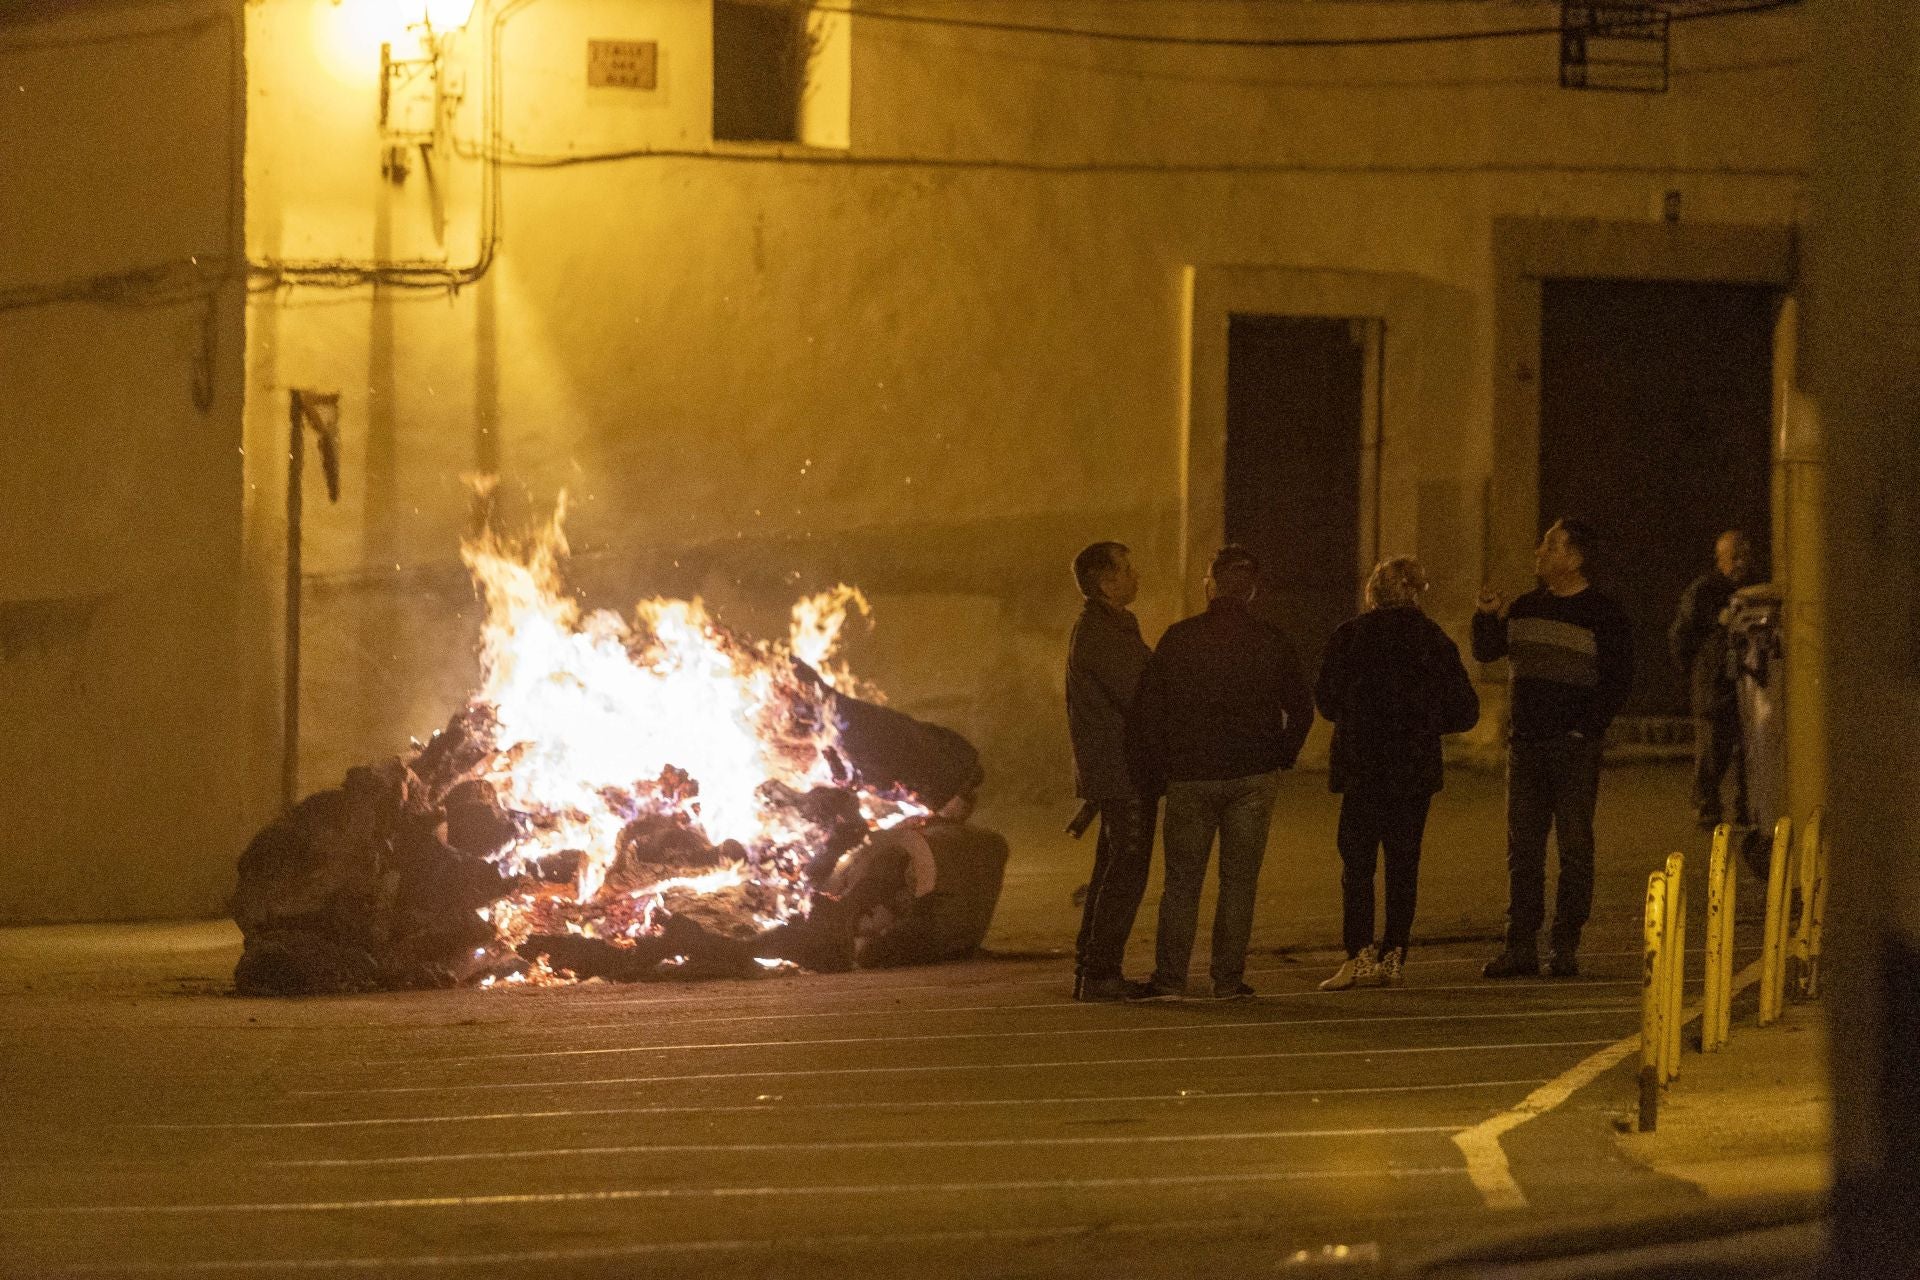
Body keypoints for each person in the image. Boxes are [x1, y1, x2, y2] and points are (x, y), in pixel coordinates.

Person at [1127, 545, 1313, 1000]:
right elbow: (1302, 709)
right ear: (1251, 590)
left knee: (1182, 883)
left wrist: (1156, 768)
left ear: (1209, 584)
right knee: (1239, 882)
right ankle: (1227, 979)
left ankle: (1171, 977)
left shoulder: (1179, 637)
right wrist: (1282, 754)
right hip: (1252, 775)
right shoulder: (1272, 639)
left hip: (1191, 774)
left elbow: (1149, 709)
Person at [1473, 518, 1633, 979]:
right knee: (1522, 850)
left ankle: (1565, 945)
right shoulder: (1525, 606)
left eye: (1548, 545)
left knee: (1575, 847)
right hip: (1526, 747)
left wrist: (1585, 729)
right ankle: (1520, 946)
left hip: (1573, 749)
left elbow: (1618, 680)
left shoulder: (1603, 613)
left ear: (1574, 558)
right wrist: (1486, 615)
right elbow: (1488, 653)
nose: (1538, 551)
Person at [1314, 557, 1480, 991]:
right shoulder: (1433, 640)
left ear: (1374, 592)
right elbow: (1466, 710)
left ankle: (1359, 954)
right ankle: (1394, 955)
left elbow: (1327, 703)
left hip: (1362, 766)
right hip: (1412, 769)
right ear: (1414, 592)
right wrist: (1424, 721)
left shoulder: (1349, 637)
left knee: (1358, 864)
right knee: (1403, 863)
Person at [1064, 541, 1158, 1001]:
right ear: (1106, 582)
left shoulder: (1113, 625)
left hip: (1121, 769)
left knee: (1112, 869)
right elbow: (1143, 692)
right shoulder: (1101, 633)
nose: (1136, 575)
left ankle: (1092, 968)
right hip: (1122, 771)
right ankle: (1101, 973)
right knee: (1126, 871)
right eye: (1128, 569)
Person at [1668, 530, 1758, 830]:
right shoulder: (1704, 591)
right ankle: (1705, 804)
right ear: (1720, 560)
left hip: (1746, 685)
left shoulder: (1753, 592)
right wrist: (1698, 672)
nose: (1741, 562)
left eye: (1745, 555)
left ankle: (1746, 807)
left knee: (1750, 750)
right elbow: (1681, 634)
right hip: (1714, 684)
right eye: (1735, 557)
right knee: (1713, 749)